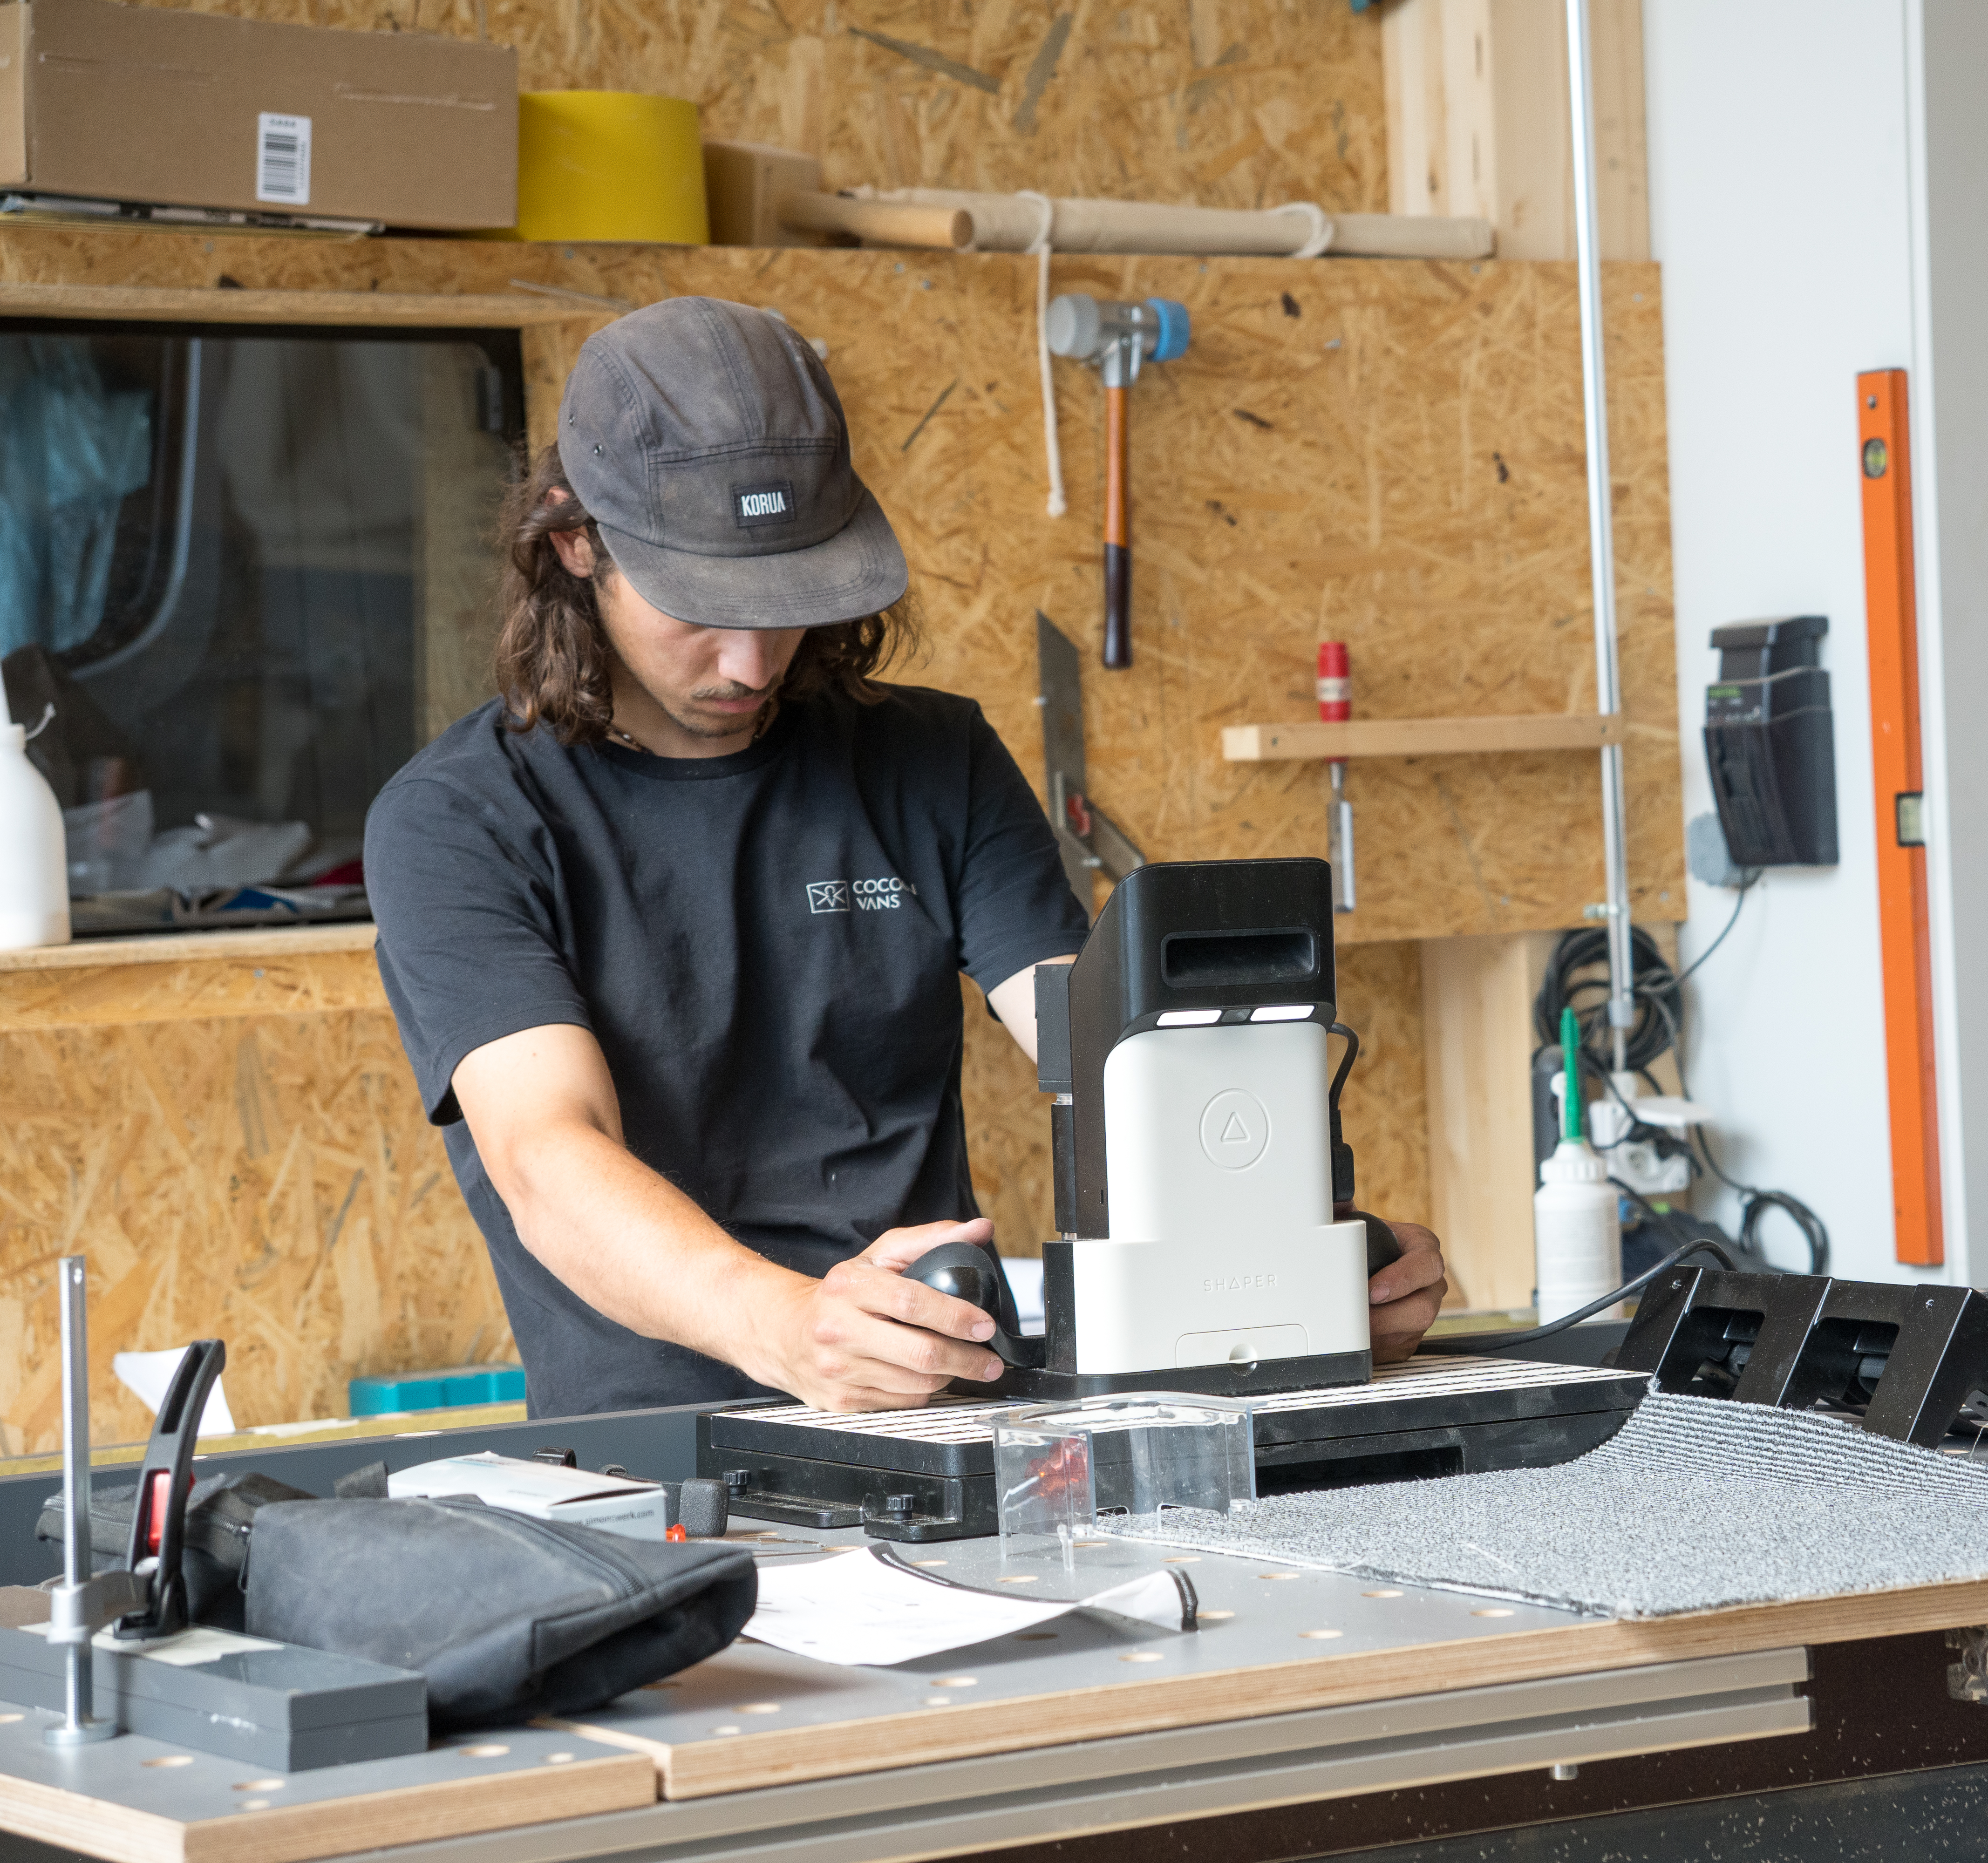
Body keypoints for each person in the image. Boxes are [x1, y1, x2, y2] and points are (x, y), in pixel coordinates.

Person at [364, 297, 1449, 1418]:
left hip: (951, 1412)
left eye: (784, 603)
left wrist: (1292, 1271)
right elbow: (548, 1152)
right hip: (662, 1461)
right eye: (701, 605)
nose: (750, 659)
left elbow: (1112, 1059)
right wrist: (787, 1326)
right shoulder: (459, 821)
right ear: (574, 543)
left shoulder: (932, 759)